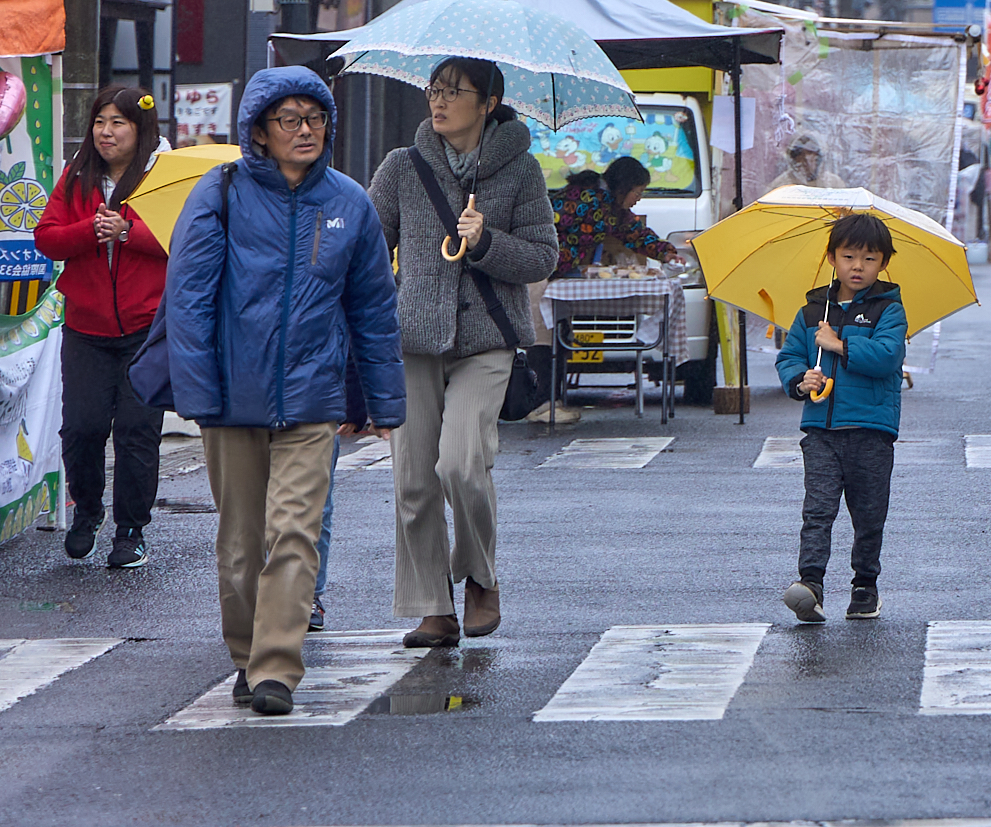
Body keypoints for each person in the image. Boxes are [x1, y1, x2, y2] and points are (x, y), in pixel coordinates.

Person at [163, 68, 402, 718]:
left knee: (296, 532)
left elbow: (374, 309)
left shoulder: (349, 202)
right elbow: (187, 300)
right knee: (241, 543)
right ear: (259, 132)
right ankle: (246, 653)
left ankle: (275, 667)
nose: (305, 130)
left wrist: (384, 400)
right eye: (290, 119)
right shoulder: (222, 193)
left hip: (313, 396)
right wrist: (198, 389)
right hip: (230, 394)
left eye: (315, 119)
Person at [369, 56, 559, 650]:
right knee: (413, 481)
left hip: (488, 339)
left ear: (489, 103)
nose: (440, 99)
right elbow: (369, 243)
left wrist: (486, 243)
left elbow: (542, 257)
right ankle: (432, 607)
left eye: (455, 91)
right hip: (414, 340)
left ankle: (480, 576)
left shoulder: (521, 171)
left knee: (460, 464)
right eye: (435, 88)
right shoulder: (402, 166)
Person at [34, 85, 168, 570]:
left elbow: (185, 240)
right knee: (83, 428)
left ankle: (131, 531)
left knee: (137, 430)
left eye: (118, 123)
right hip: (86, 328)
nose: (106, 132)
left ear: (141, 130)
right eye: (100, 122)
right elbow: (47, 239)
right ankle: (86, 512)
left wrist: (130, 234)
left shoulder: (161, 179)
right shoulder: (77, 177)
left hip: (147, 328)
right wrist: (88, 230)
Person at [777, 210, 908, 624]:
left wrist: (839, 344)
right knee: (817, 509)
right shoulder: (814, 309)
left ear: (884, 263)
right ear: (832, 257)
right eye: (849, 256)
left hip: (870, 430)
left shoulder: (890, 309)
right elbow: (790, 356)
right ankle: (811, 584)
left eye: (870, 259)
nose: (858, 266)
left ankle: (865, 585)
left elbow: (888, 357)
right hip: (821, 429)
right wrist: (801, 380)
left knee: (869, 514)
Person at [552, 154, 682, 279]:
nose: (639, 199)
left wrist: (665, 252)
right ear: (624, 187)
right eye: (638, 192)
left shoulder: (613, 208)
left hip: (563, 267)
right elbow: (548, 224)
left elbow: (636, 234)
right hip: (546, 266)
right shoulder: (582, 197)